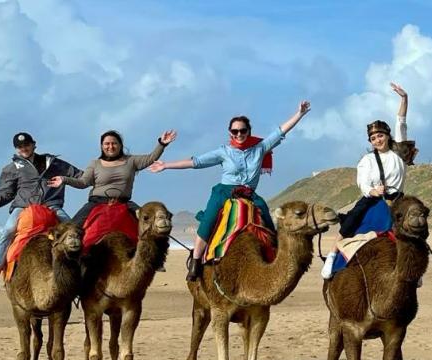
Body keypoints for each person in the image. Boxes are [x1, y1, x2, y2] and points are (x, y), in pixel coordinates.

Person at [148, 101, 311, 281]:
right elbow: (196, 162)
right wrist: (166, 165)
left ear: (248, 131)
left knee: (267, 220)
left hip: (249, 193)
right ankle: (195, 262)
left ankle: (274, 258)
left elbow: (280, 131)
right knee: (209, 220)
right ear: (230, 133)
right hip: (225, 191)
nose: (239, 134)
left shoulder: (260, 148)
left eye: (242, 131)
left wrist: (300, 114)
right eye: (235, 131)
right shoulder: (223, 152)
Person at [0, 132, 82, 292]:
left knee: (74, 231)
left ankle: (84, 275)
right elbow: (4, 195)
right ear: (16, 150)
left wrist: (70, 179)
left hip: (51, 206)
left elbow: (82, 177)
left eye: (26, 145)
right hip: (23, 207)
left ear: (34, 144)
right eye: (20, 147)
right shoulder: (11, 169)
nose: (24, 148)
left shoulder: (55, 164)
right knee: (7, 231)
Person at [48, 129, 178, 227]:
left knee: (150, 225)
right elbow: (83, 182)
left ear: (120, 145)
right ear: (102, 146)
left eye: (114, 143)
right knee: (72, 229)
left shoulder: (131, 161)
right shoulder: (95, 163)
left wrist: (162, 144)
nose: (110, 146)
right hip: (96, 202)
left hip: (124, 202)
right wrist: (64, 179)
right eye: (107, 144)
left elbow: (151, 158)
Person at [336, 82, 410, 238]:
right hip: (373, 199)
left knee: (418, 221)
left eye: (380, 136)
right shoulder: (367, 160)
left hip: (397, 200)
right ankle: (332, 255)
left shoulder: (399, 153)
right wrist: (373, 191)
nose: (377, 140)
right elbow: (363, 182)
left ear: (388, 136)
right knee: (351, 220)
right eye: (373, 138)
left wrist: (404, 98)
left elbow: (401, 123)